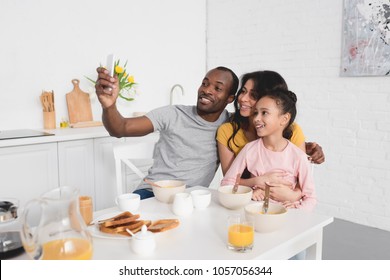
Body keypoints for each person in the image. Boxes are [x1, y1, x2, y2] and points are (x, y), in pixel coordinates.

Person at [95, 66, 239, 199]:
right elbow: (120, 128)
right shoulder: (172, 114)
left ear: (230, 98)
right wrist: (109, 106)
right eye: (205, 83)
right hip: (152, 192)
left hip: (191, 199)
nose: (207, 90)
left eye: (217, 88)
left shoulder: (230, 125)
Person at [217, 70, 323, 203]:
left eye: (253, 95)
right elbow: (229, 182)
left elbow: (302, 186)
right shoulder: (231, 133)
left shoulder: (293, 131)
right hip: (250, 202)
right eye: (243, 91)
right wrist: (257, 183)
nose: (243, 99)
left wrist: (294, 196)